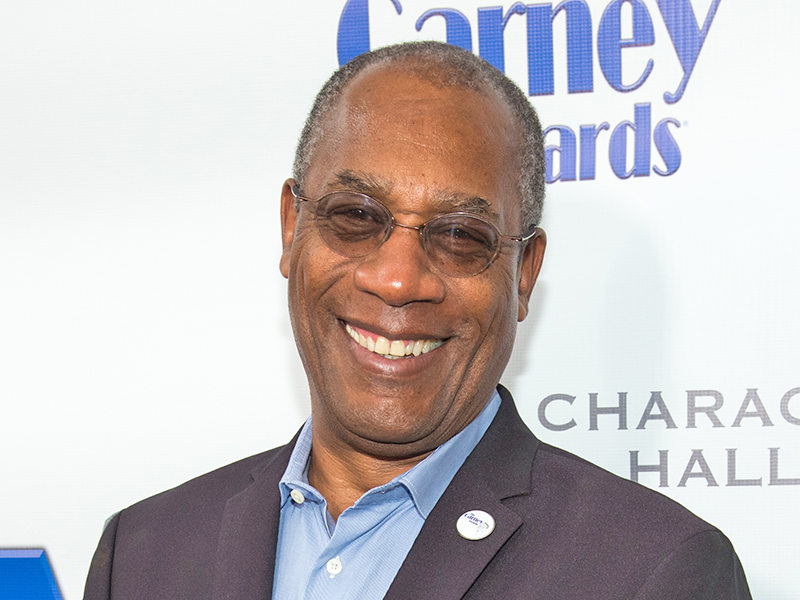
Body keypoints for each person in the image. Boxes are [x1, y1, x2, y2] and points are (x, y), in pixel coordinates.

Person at [83, 41, 751, 600]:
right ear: (291, 228)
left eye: (460, 236)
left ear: (523, 273)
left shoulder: (653, 571)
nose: (398, 279)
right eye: (355, 216)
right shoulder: (141, 557)